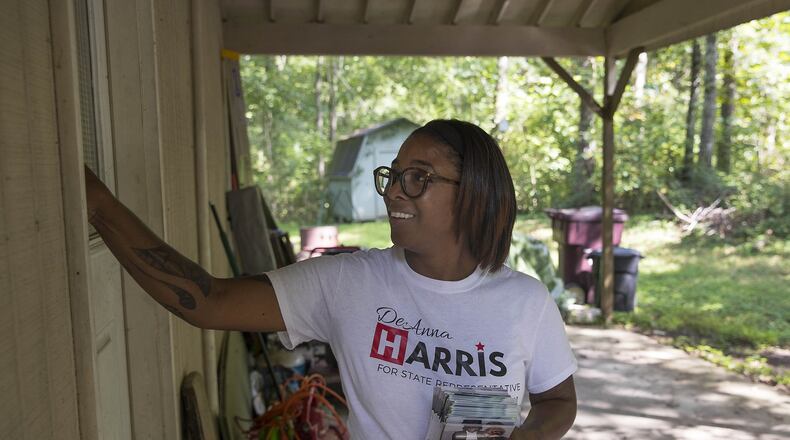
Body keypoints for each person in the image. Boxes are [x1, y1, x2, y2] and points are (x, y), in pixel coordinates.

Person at [85, 119, 577, 439]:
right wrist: (98, 205)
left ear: (475, 192)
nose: (394, 194)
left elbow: (557, 401)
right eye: (393, 175)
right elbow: (206, 300)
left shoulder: (525, 302)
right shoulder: (349, 284)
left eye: (418, 178)